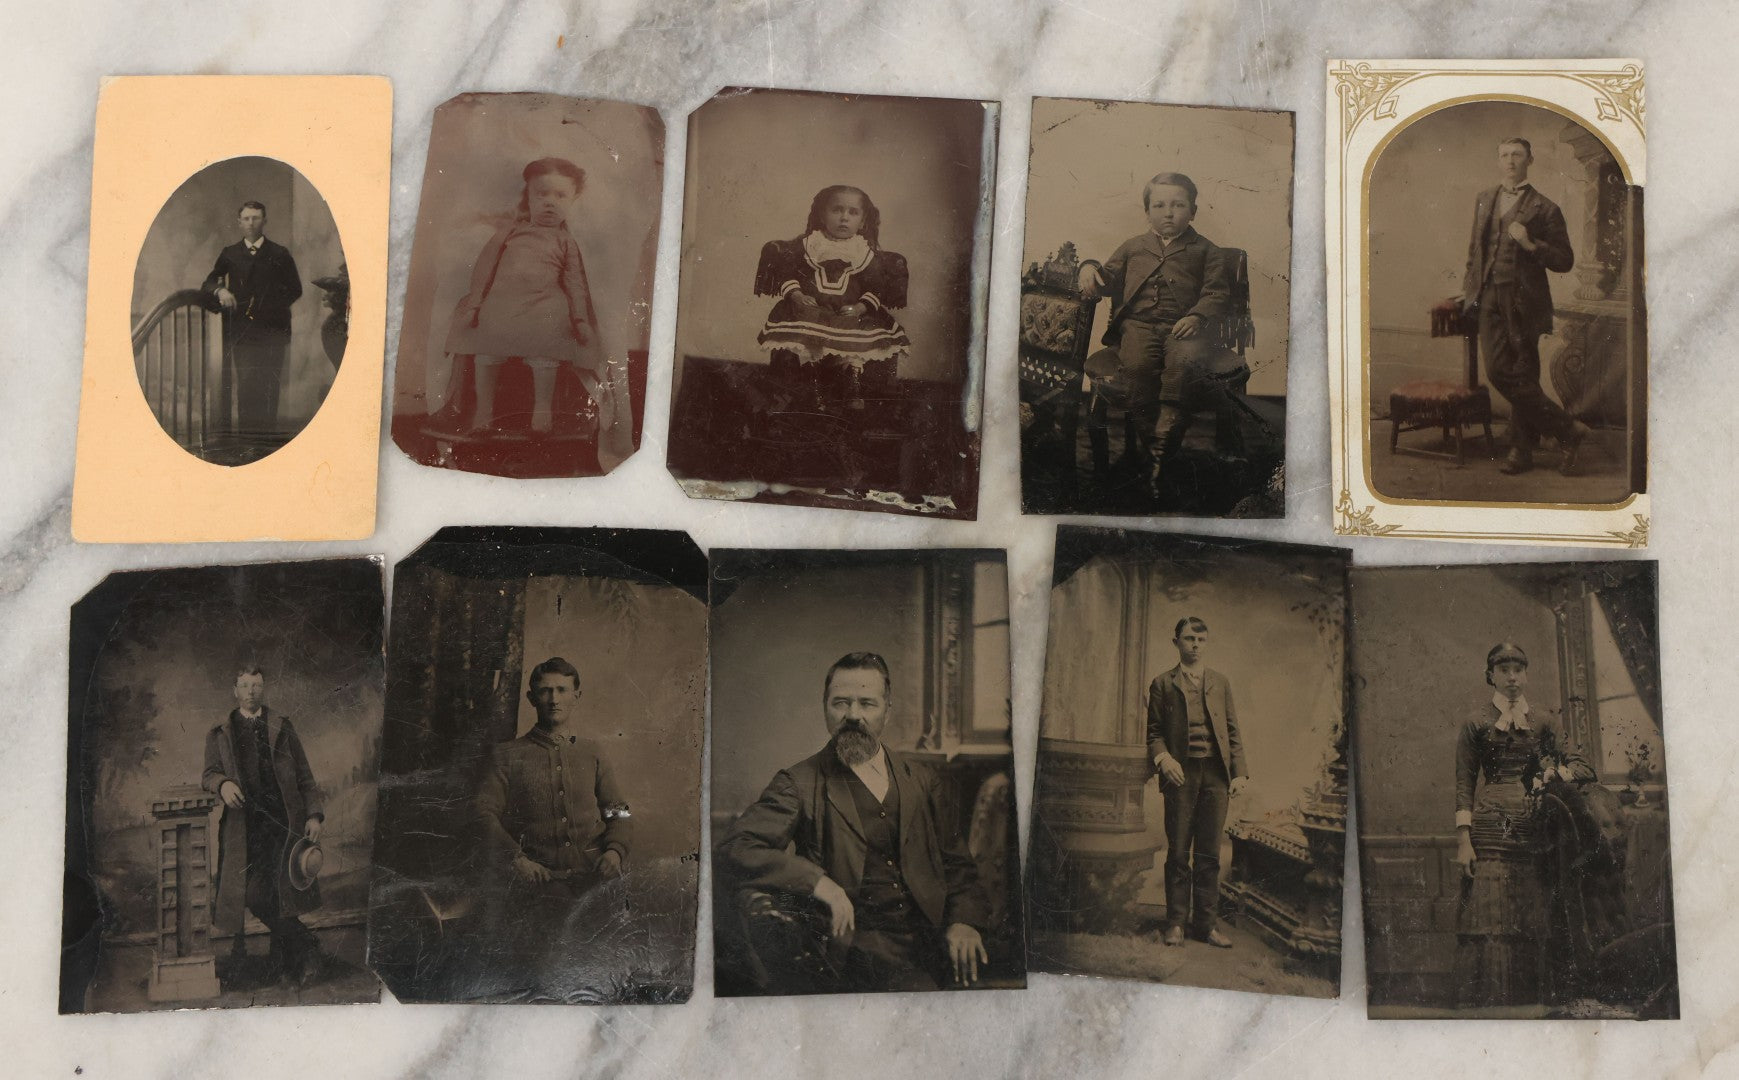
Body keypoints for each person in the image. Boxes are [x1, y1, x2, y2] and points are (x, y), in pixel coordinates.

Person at [717, 652, 990, 992]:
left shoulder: (921, 780)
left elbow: (958, 866)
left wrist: (963, 922)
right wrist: (818, 883)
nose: (853, 716)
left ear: (887, 711)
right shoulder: (798, 782)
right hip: (850, 955)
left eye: (867, 704)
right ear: (825, 708)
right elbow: (735, 847)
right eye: (841, 703)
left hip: (930, 946)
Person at [444, 158, 632, 468]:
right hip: (501, 304)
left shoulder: (566, 242)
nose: (549, 203)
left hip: (545, 304)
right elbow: (484, 269)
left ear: (573, 201)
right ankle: (484, 411)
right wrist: (475, 304)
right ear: (528, 197)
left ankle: (542, 410)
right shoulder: (509, 233)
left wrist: (581, 319)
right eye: (541, 194)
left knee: (547, 346)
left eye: (560, 197)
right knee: (486, 350)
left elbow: (574, 284)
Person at [1080, 172, 1242, 494]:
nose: (1169, 212)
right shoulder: (1132, 247)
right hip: (1137, 327)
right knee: (1137, 368)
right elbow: (1105, 278)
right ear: (1147, 212)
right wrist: (1087, 266)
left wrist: (1197, 315)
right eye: (1160, 205)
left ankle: (1156, 462)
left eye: (1178, 205)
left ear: (1193, 211)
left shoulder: (1207, 250)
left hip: (1186, 329)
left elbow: (1217, 294)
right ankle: (1159, 457)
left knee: (1181, 368)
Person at [1453, 642, 1595, 1008]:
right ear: (1491, 676)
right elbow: (1464, 784)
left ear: (1526, 674)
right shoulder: (1475, 723)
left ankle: (1531, 1002)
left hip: (1533, 828)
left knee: (1531, 913)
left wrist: (1553, 773)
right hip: (1488, 829)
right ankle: (1487, 1004)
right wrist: (1463, 841)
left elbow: (1582, 766)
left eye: (1518, 669)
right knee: (1489, 916)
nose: (1512, 677)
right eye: (1503, 670)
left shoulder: (1544, 720)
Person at [473, 656, 631, 966]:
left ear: (577, 696)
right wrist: (515, 859)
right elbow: (482, 814)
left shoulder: (593, 752)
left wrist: (615, 852)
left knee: (609, 960)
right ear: (532, 698)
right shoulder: (507, 755)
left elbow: (620, 812)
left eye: (562, 690)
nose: (554, 699)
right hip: (540, 885)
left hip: (595, 878)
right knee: (553, 963)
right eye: (545, 691)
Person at [1457, 136, 1592, 477]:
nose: (1511, 161)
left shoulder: (1546, 208)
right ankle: (1568, 429)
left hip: (1524, 302)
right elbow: (1475, 251)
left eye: (1518, 154)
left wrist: (1531, 244)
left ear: (1530, 159)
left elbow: (1564, 261)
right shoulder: (1484, 198)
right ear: (1497, 160)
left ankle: (1521, 449)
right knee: (1499, 370)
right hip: (1487, 297)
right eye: (1504, 155)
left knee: (1523, 372)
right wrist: (1468, 291)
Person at [201, 666, 324, 988]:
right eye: (244, 685)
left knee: (282, 895)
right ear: (235, 690)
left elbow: (305, 778)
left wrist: (313, 816)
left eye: (256, 685)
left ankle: (286, 963)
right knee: (256, 896)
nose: (251, 691)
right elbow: (208, 774)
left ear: (264, 688)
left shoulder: (282, 726)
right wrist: (223, 784)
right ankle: (307, 946)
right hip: (246, 831)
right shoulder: (220, 732)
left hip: (284, 827)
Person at [753, 185, 911, 409]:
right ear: (821, 215)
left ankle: (852, 381)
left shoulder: (864, 252)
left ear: (863, 221)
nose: (844, 218)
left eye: (853, 213)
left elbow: (875, 287)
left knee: (859, 335)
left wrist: (860, 308)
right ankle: (812, 383)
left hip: (849, 313)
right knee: (806, 329)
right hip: (812, 309)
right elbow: (787, 271)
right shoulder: (808, 245)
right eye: (837, 210)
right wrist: (797, 295)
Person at [1145, 617, 1248, 948]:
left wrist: (1239, 771)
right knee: (1178, 850)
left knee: (1210, 853)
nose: (1195, 645)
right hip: (1181, 776)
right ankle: (1175, 922)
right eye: (1189, 638)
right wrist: (1165, 760)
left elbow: (1232, 730)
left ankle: (1206, 924)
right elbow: (1154, 733)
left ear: (1207, 643)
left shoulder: (1221, 682)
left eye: (1201, 639)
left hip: (1216, 776)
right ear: (1175, 641)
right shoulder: (1162, 684)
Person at [201, 201, 302, 441]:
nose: (251, 223)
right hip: (242, 331)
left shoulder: (280, 253)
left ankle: (266, 440)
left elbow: (295, 289)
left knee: (269, 383)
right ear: (239, 223)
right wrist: (221, 292)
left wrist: (270, 306)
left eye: (256, 218)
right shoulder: (230, 253)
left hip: (272, 330)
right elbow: (209, 283)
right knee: (246, 383)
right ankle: (246, 440)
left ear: (264, 221)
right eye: (246, 218)